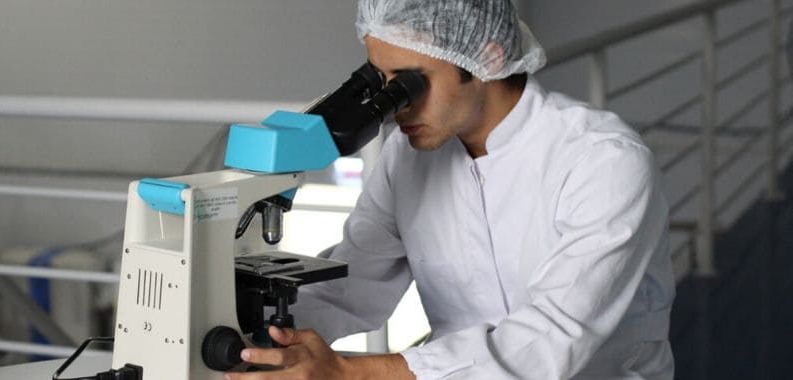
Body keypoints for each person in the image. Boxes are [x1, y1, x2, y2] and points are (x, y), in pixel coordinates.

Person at [226, 0, 675, 379]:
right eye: (381, 82)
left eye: (408, 82)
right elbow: (352, 286)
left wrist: (347, 373)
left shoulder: (602, 160)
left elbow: (553, 339)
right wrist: (249, 335)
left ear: (489, 58)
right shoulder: (409, 158)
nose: (395, 108)